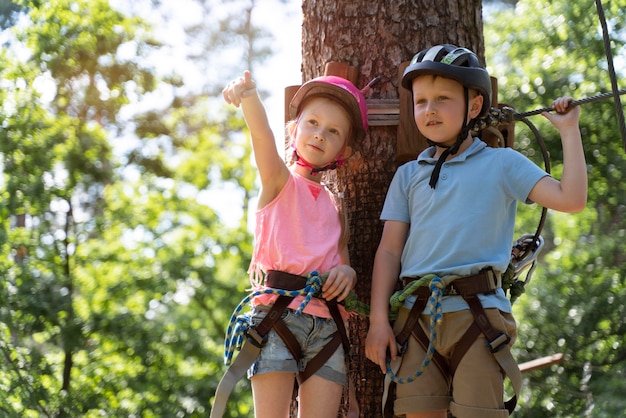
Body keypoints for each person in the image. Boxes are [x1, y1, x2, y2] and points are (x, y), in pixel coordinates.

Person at [364, 44, 587, 418]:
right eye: (421, 102)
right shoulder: (408, 176)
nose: (430, 109)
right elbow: (388, 251)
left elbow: (571, 198)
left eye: (443, 99)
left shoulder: (502, 164)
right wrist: (378, 322)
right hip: (417, 318)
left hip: (479, 315)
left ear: (474, 105)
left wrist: (569, 131)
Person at [219, 70, 368, 418]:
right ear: (294, 129)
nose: (320, 134)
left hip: (327, 326)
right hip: (277, 316)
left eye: (333, 131)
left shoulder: (336, 205)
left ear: (343, 149)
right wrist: (249, 96)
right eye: (313, 122)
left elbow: (341, 260)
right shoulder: (278, 182)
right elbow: (262, 136)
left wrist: (348, 274)